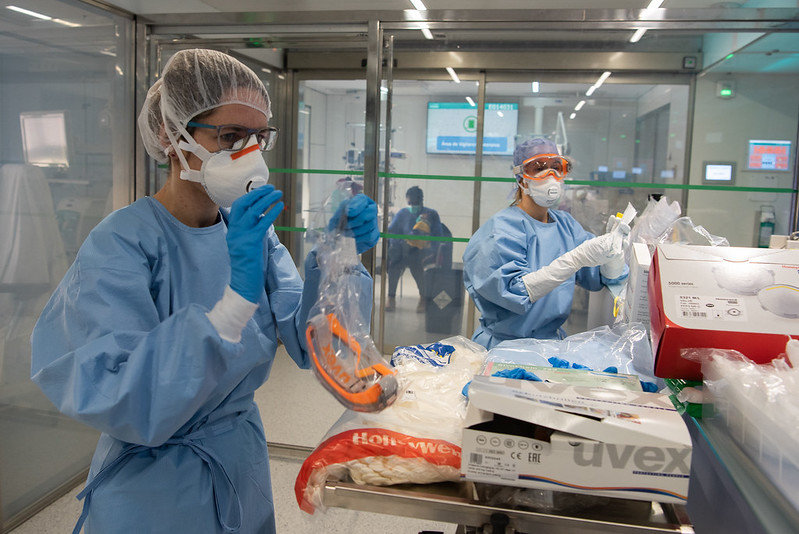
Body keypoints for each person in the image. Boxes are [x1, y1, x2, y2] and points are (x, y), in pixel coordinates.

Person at [29, 49, 379, 534]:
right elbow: (124, 395)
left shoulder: (250, 230)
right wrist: (233, 302)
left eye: (259, 137)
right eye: (230, 136)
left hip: (240, 464)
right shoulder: (122, 244)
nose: (250, 154)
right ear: (172, 137)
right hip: (155, 486)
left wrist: (340, 256)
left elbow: (310, 342)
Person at [462, 137, 628, 350]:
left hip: (550, 346)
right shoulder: (500, 230)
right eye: (539, 167)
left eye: (557, 167)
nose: (551, 176)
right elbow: (513, 292)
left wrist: (614, 254)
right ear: (521, 177)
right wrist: (573, 260)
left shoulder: (566, 226)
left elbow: (599, 277)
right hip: (504, 347)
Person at [385, 185, 443, 313]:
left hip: (421, 251)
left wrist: (428, 246)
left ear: (421, 200)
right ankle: (391, 297)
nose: (413, 205)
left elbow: (438, 235)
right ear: (407, 200)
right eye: (411, 202)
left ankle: (423, 298)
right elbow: (392, 232)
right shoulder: (402, 213)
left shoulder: (430, 214)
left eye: (416, 202)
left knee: (416, 266)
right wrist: (400, 242)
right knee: (394, 266)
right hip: (401, 250)